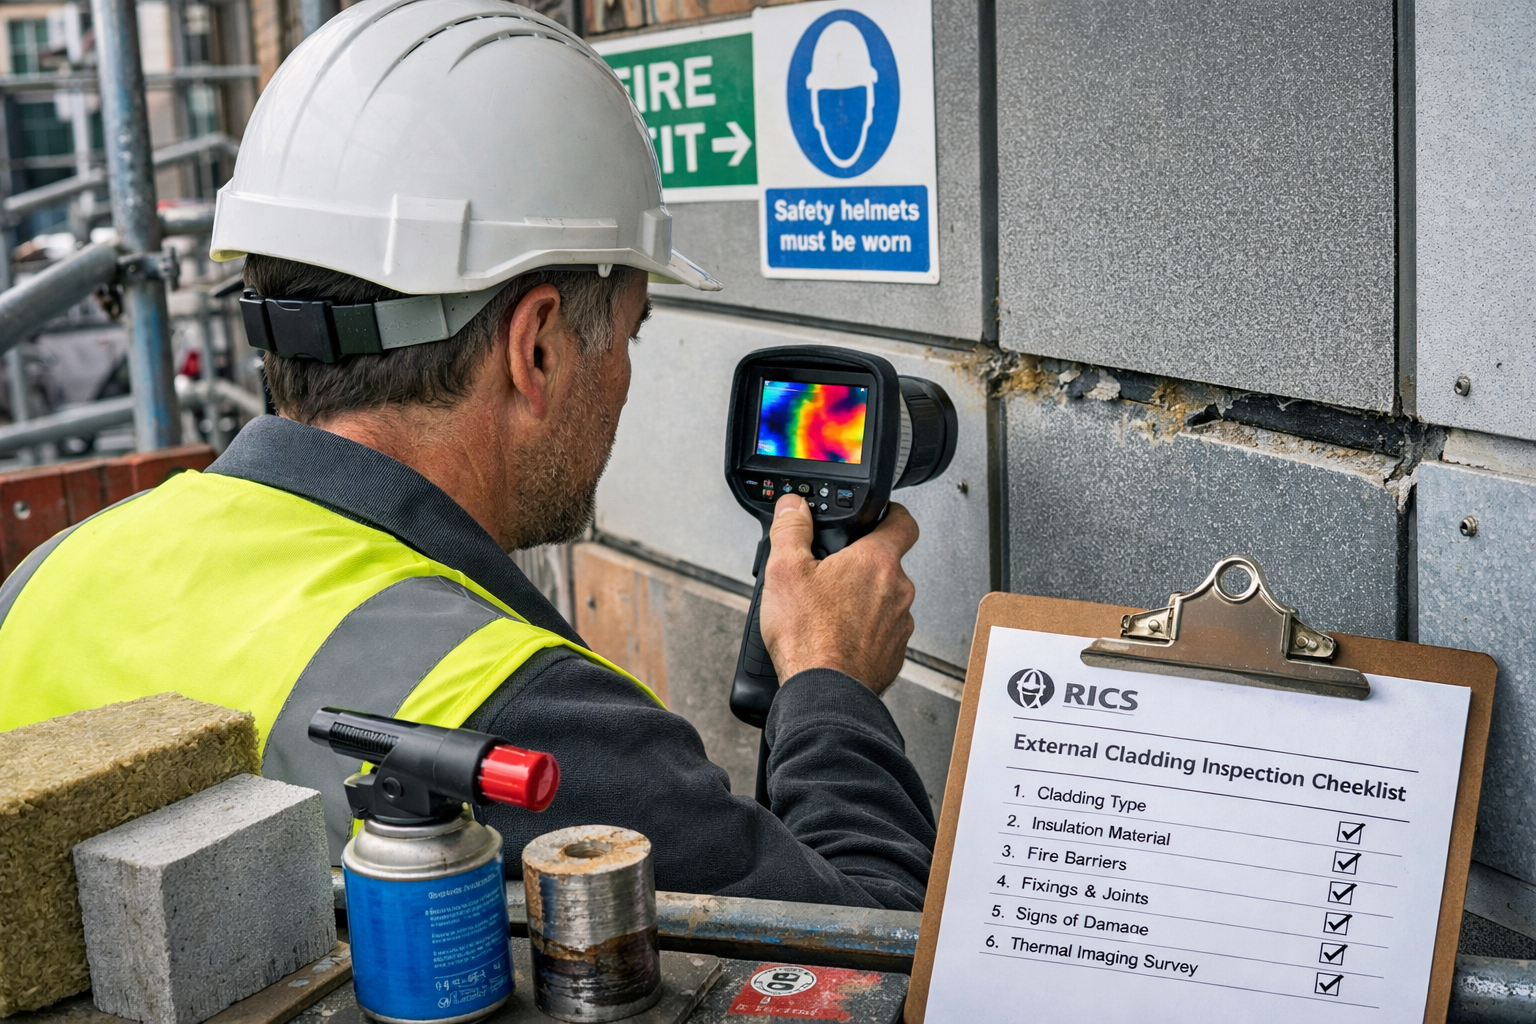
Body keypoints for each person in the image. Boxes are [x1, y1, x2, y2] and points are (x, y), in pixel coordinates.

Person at [0, 0, 935, 911]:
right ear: (536, 347)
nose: (622, 380)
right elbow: (868, 946)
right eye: (629, 339)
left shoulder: (49, 577)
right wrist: (827, 680)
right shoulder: (532, 728)